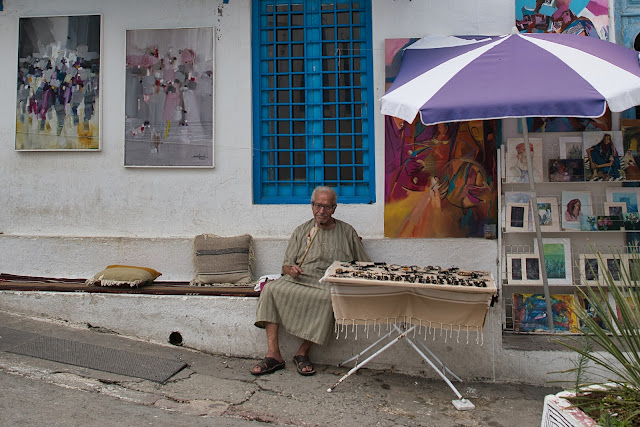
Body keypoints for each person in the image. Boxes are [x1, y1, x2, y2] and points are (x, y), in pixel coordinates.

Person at [251, 186, 371, 376]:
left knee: (329, 299)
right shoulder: (302, 231)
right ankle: (274, 355)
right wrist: (291, 270)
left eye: (326, 207)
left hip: (327, 283)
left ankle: (302, 353)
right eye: (317, 205)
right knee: (271, 290)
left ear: (334, 208)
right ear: (311, 205)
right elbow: (286, 266)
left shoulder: (347, 232)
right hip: (300, 279)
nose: (321, 211)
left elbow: (364, 264)